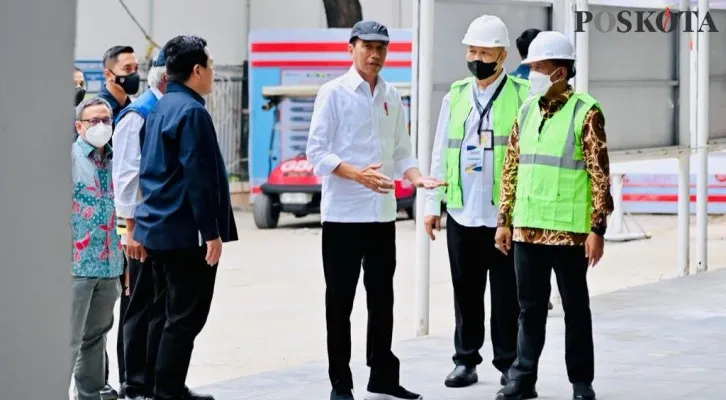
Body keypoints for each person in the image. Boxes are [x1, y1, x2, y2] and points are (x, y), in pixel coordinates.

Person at [306, 20, 446, 400]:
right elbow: (316, 154)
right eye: (367, 46)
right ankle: (340, 383)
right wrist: (356, 175)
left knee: (382, 299)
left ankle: (383, 376)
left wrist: (417, 179)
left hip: (382, 216)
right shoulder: (333, 93)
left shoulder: (392, 94)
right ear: (351, 48)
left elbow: (402, 150)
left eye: (381, 48)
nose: (375, 54)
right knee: (340, 303)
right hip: (343, 218)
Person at [494, 31, 613, 400]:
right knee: (529, 309)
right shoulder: (527, 109)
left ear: (559, 73)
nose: (531, 74)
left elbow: (599, 174)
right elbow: (511, 167)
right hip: (527, 229)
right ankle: (522, 378)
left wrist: (597, 229)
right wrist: (504, 220)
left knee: (576, 309)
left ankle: (581, 382)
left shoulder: (586, 112)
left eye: (538, 68)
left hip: (569, 233)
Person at [424, 15, 528, 390]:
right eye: (472, 50)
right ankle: (465, 360)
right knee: (465, 290)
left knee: (505, 295)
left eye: (484, 52)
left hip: (503, 215)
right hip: (462, 211)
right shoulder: (455, 95)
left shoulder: (521, 95)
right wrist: (433, 204)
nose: (476, 57)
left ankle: (508, 363)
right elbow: (440, 151)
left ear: (502, 56)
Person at [134, 35, 237, 400]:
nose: (212, 73)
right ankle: (168, 393)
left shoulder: (160, 107)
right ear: (197, 70)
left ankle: (161, 387)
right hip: (185, 232)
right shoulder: (192, 111)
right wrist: (210, 232)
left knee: (163, 315)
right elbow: (198, 175)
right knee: (185, 318)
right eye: (210, 66)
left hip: (157, 227)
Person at [112, 50, 168, 400]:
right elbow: (126, 178)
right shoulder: (139, 114)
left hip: (162, 229)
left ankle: (156, 380)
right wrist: (129, 229)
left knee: (161, 308)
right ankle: (134, 385)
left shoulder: (163, 109)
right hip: (141, 228)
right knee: (139, 307)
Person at [70, 97, 123, 400]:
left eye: (106, 120)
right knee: (68, 340)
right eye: (94, 121)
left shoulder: (118, 160)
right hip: (75, 266)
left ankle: (89, 395)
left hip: (111, 265)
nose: (102, 126)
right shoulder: (69, 159)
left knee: (95, 337)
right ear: (79, 126)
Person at [96, 44, 139, 400]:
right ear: (109, 73)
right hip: (104, 223)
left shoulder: (135, 110)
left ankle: (130, 379)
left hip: (128, 221)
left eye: (136, 65)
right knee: (100, 312)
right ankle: (100, 381)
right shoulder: (99, 114)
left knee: (131, 299)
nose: (134, 72)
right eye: (127, 67)